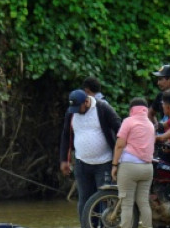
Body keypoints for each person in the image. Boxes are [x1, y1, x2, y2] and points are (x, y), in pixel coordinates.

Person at [59, 89, 122, 228]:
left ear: (86, 102)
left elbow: (120, 128)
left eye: (78, 108)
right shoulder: (71, 113)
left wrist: (119, 157)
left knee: (104, 199)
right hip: (81, 163)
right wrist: (64, 159)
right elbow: (66, 135)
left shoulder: (102, 108)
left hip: (104, 162)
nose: (76, 111)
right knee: (84, 200)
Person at [111, 97, 154, 228]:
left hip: (129, 167)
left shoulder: (128, 121)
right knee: (144, 203)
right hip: (147, 168)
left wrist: (114, 165)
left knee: (127, 204)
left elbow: (119, 145)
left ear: (131, 110)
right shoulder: (150, 125)